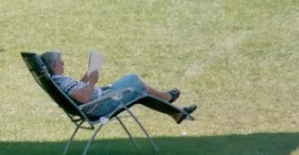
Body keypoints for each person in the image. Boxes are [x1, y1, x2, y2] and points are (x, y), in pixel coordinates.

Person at [41, 50, 197, 123]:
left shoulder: (58, 81)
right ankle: (167, 99)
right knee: (134, 80)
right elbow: (83, 97)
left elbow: (79, 91)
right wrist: (93, 81)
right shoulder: (61, 81)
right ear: (54, 66)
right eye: (60, 61)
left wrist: (89, 74)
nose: (63, 62)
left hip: (100, 99)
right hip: (101, 105)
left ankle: (176, 113)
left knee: (139, 93)